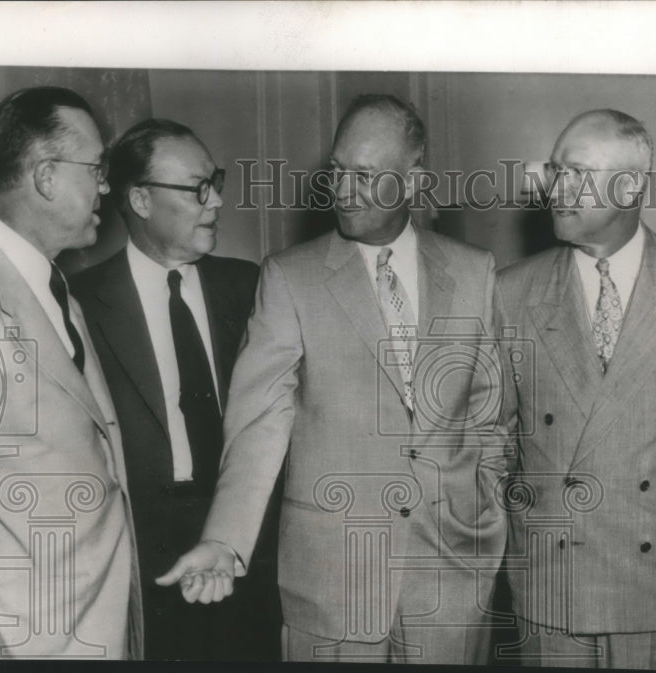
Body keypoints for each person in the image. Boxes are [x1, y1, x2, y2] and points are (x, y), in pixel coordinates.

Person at [156, 94, 510, 664]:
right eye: (338, 172)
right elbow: (258, 424)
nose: (343, 191)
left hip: (452, 579)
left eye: (365, 176)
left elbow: (492, 417)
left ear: (414, 183)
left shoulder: (474, 272)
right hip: (333, 583)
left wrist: (485, 520)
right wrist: (226, 538)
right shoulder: (291, 278)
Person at [495, 109, 656, 668]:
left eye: (575, 173)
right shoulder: (510, 291)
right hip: (551, 595)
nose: (555, 189)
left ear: (629, 187)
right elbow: (493, 445)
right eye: (553, 172)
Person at [70, 119, 281, 661]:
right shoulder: (79, 303)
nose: (214, 202)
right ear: (140, 199)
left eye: (215, 181)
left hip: (250, 552)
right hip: (142, 562)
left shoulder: (253, 287)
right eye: (195, 188)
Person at [0, 86, 142, 658]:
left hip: (87, 625)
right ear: (45, 177)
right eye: (96, 169)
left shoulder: (48, 283)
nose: (105, 187)